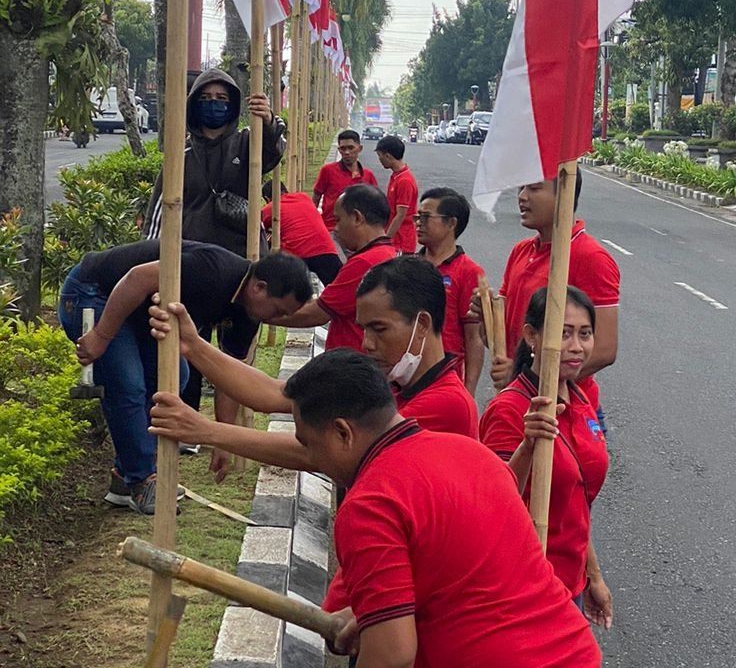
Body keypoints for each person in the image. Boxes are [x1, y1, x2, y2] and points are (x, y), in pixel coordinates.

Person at [151, 349, 598, 666]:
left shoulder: (370, 502)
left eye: (310, 444)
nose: (311, 458)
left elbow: (392, 654)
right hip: (572, 651)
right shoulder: (469, 453)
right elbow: (457, 568)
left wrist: (380, 628)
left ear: (344, 433)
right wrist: (375, 612)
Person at [146, 256, 480, 474]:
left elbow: (316, 453)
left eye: (379, 329)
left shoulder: (444, 404)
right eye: (363, 329)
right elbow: (277, 394)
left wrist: (207, 430)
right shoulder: (389, 380)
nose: (366, 343)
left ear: (422, 325)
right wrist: (193, 345)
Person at [59, 241, 311, 513]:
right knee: (128, 385)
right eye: (278, 310)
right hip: (95, 291)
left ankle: (126, 477)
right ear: (258, 287)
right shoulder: (212, 271)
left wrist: (224, 440)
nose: (277, 319)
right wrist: (100, 336)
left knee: (174, 377)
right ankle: (142, 479)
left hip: (137, 309)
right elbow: (137, 278)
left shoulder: (249, 313)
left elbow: (229, 377)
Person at [480, 287, 612, 629]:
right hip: (524, 589)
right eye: (563, 333)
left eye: (584, 334)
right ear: (531, 337)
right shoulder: (510, 410)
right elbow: (492, 503)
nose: (576, 346)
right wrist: (528, 446)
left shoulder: (582, 399)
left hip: (571, 586)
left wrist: (593, 576)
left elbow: (576, 502)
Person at [488, 174, 620, 416]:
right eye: (521, 187)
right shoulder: (521, 251)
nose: (522, 197)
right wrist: (484, 316)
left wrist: (527, 378)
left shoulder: (590, 257)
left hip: (563, 410)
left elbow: (604, 350)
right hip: (515, 404)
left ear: (565, 196)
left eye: (534, 188)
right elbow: (504, 337)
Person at [143, 67, 286, 258]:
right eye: (205, 98)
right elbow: (159, 213)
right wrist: (148, 255)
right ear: (194, 104)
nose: (213, 102)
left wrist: (268, 121)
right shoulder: (181, 155)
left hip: (244, 254)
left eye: (221, 98)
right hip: (195, 257)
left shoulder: (247, 143)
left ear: (232, 104)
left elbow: (274, 150)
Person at [271, 184, 397, 353]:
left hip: (351, 362)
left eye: (338, 220)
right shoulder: (388, 254)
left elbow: (316, 313)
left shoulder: (365, 263)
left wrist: (265, 313)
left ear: (357, 218)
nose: (335, 229)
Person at [417, 188, 485, 394]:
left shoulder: (469, 272)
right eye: (418, 216)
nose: (419, 222)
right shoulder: (408, 266)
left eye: (426, 217)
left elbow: (474, 337)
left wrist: (469, 389)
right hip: (406, 376)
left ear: (451, 223)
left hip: (446, 379)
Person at [261, 181, 342, 286]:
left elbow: (257, 229)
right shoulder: (304, 197)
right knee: (340, 287)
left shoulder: (271, 208)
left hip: (296, 255)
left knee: (289, 293)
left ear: (267, 199)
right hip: (325, 249)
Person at [313, 129, 378, 233]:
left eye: (351, 148)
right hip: (332, 230)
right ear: (339, 150)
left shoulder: (368, 176)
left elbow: (375, 205)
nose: (347, 152)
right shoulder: (328, 171)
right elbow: (315, 199)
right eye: (343, 148)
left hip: (359, 233)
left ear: (359, 148)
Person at [375, 135, 419, 254]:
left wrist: (386, 240)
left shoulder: (404, 181)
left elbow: (401, 215)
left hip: (401, 241)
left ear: (388, 156)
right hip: (395, 239)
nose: (379, 160)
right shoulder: (396, 176)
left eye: (380, 156)